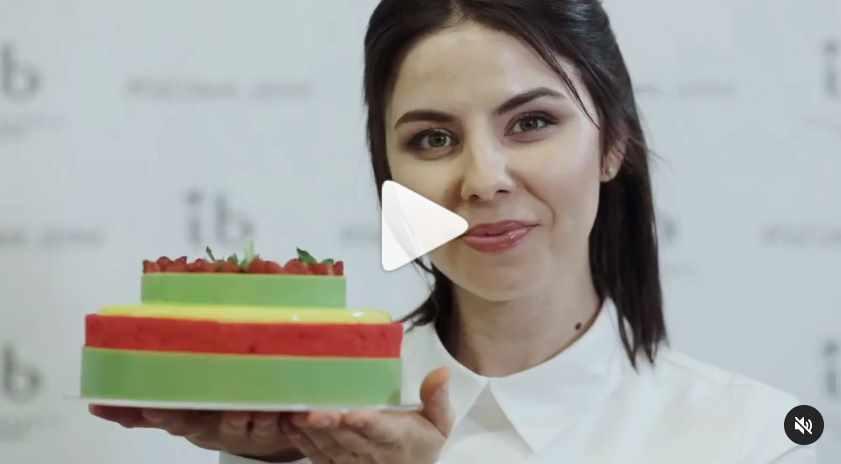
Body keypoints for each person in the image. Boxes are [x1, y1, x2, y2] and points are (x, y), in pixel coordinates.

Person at [90, 0, 817, 462]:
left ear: (612, 144)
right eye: (433, 139)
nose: (483, 179)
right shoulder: (303, 430)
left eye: (531, 122)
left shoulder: (754, 440)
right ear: (388, 173)